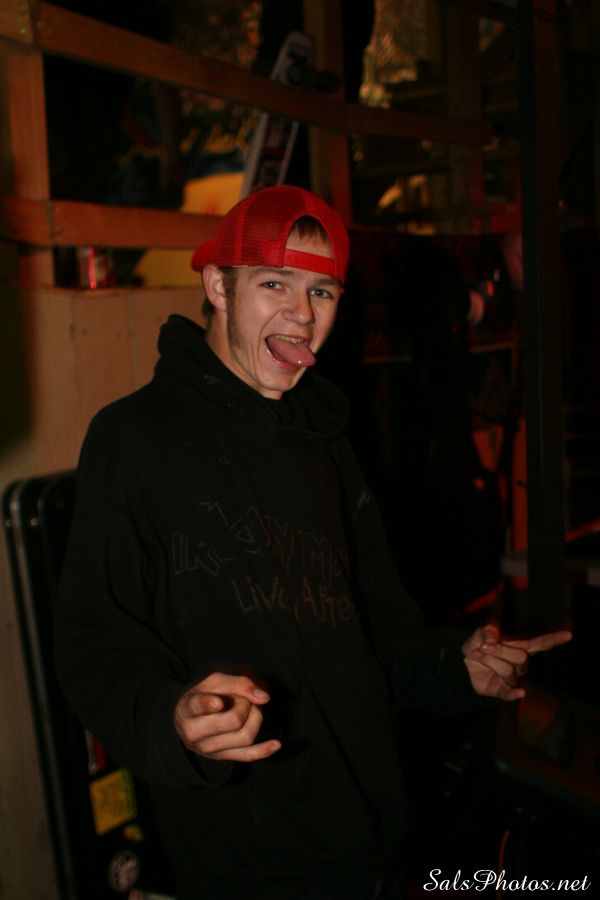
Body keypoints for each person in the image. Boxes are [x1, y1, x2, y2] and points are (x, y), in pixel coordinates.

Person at [54, 185, 571, 900]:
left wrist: (454, 667)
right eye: (275, 283)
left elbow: (380, 635)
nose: (303, 312)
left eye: (322, 292)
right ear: (218, 286)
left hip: (378, 836)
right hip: (245, 863)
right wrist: (170, 718)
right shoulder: (135, 438)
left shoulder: (328, 445)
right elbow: (93, 643)